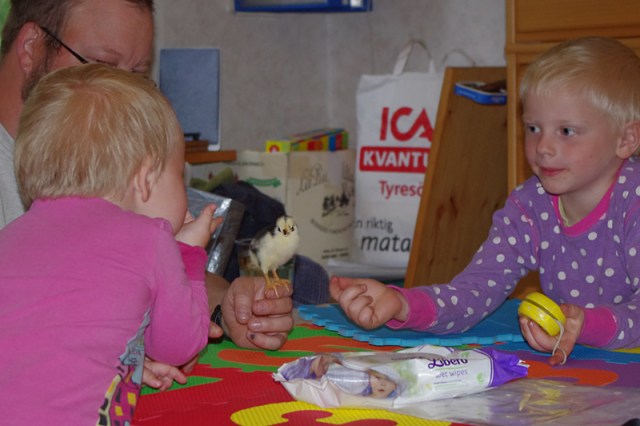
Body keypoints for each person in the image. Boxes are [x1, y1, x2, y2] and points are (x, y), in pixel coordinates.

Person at [0, 0, 294, 389]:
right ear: (32, 47)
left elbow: (137, 271)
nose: (127, 95)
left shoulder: (123, 162)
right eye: (104, 66)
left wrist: (229, 306)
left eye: (138, 75)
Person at [330, 36, 640, 366]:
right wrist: (402, 303)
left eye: (566, 131)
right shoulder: (529, 206)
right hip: (585, 365)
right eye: (533, 128)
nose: (543, 147)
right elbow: (474, 292)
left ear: (626, 139)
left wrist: (587, 325)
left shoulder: (633, 200)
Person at [0, 63, 219, 423]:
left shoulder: (8, 238)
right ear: (145, 179)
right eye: (179, 175)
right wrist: (189, 254)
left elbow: (47, 348)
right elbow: (179, 346)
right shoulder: (151, 239)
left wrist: (129, 362)